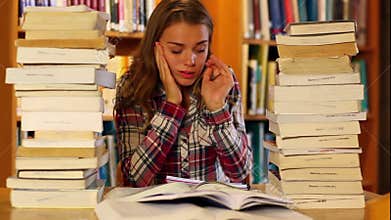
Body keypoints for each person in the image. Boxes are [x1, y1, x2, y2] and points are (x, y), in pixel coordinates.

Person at [114, 0, 252, 187]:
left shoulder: (223, 81)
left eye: (200, 49)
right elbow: (134, 179)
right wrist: (171, 107)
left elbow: (240, 172)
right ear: (156, 48)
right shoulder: (132, 87)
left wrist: (217, 108)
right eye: (176, 50)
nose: (190, 61)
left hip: (214, 210)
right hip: (156, 212)